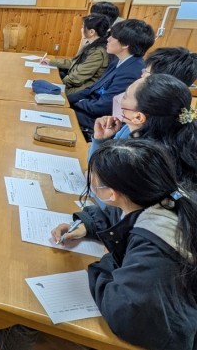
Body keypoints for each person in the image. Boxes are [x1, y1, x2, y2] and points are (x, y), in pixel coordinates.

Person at [51, 139, 197, 350]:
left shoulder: (155, 246)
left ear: (112, 194)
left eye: (93, 180)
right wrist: (88, 225)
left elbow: (127, 314)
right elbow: (120, 216)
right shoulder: (158, 197)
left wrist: (108, 260)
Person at [90, 74, 197, 194]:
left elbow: (107, 195)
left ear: (138, 117)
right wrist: (100, 140)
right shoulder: (130, 131)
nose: (119, 98)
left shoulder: (145, 160)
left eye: (125, 96)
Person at [67, 19, 155, 133]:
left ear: (125, 44)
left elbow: (104, 106)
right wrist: (66, 99)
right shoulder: (118, 60)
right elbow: (92, 88)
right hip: (89, 108)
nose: (108, 39)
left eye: (112, 37)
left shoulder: (132, 71)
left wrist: (76, 103)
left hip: (101, 121)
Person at [42, 13, 110, 95]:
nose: (81, 29)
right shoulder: (91, 44)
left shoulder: (97, 52)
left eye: (83, 27)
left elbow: (77, 78)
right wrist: (51, 62)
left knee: (44, 90)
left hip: (82, 89)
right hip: (74, 84)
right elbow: (74, 61)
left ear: (91, 32)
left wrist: (57, 84)